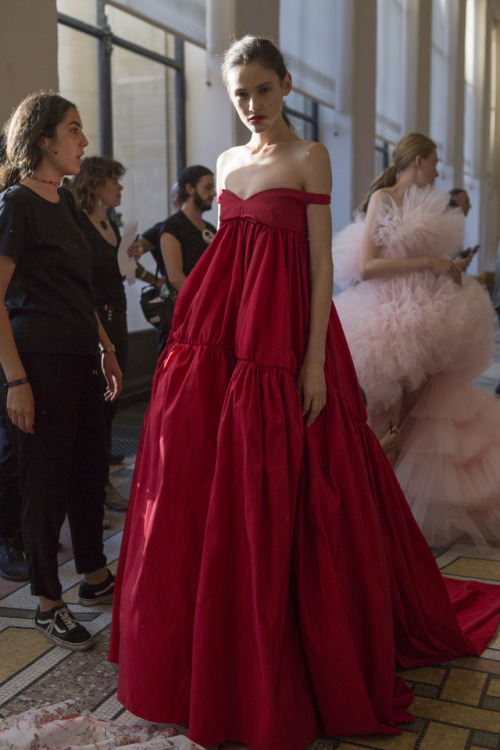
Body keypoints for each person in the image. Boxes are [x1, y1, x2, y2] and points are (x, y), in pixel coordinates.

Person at [109, 39, 500, 750]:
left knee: (296, 478)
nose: (252, 106)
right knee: (210, 476)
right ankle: (213, 645)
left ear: (286, 85)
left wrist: (315, 359)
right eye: (240, 95)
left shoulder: (309, 156)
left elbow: (321, 259)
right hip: (223, 324)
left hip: (285, 325)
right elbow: (232, 248)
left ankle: (292, 638)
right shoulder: (227, 162)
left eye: (263, 90)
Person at [333, 132, 500, 547]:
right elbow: (368, 266)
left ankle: (398, 515)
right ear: (419, 162)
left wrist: (443, 269)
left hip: (422, 319)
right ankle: (372, 513)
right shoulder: (383, 198)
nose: (440, 170)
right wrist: (429, 261)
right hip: (385, 318)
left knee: (413, 421)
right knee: (385, 419)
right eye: (436, 160)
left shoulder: (424, 203)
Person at [0, 92, 122, 650]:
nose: (84, 141)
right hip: (39, 365)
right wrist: (16, 381)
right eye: (74, 130)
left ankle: (94, 576)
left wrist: (107, 349)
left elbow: (81, 292)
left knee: (88, 471)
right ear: (45, 140)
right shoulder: (16, 205)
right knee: (45, 484)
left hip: (81, 360)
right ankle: (49, 601)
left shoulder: (66, 203)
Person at [70, 156, 129, 509]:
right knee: (95, 410)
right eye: (112, 180)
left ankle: (98, 486)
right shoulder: (79, 223)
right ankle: (97, 489)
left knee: (110, 406)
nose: (119, 186)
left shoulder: (112, 225)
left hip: (118, 320)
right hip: (96, 323)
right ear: (94, 184)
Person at [131, 166, 216, 353]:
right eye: (208, 187)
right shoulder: (171, 226)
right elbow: (176, 277)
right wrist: (205, 302)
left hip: (206, 313)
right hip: (186, 313)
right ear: (190, 189)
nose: (214, 193)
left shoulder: (210, 228)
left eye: (213, 187)